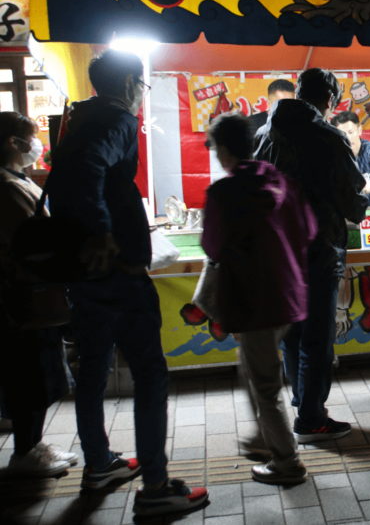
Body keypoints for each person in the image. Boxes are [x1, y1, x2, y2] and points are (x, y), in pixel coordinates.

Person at [46, 51, 208, 516]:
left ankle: (99, 464)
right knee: (151, 377)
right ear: (132, 84)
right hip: (120, 278)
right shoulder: (116, 119)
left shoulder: (78, 120)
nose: (142, 95)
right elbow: (89, 169)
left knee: (93, 374)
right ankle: (156, 487)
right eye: (143, 86)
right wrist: (102, 230)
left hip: (87, 279)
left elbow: (75, 178)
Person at [202, 113, 317, 485]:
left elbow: (212, 245)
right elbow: (309, 230)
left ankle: (287, 462)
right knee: (253, 367)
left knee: (265, 385)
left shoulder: (222, 193)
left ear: (222, 150)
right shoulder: (281, 180)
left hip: (252, 301)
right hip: (287, 295)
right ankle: (262, 437)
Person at [255, 68, 367, 442]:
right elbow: (353, 202)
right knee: (318, 335)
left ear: (299, 92)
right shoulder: (328, 137)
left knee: (293, 332)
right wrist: (361, 201)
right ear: (330, 101)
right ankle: (312, 418)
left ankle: (303, 400)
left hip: (277, 249)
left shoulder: (264, 135)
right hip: (318, 248)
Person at [0, 112, 77, 477]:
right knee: (28, 379)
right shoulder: (5, 187)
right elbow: (32, 244)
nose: (37, 145)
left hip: (35, 300)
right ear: (13, 143)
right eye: (31, 138)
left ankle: (33, 444)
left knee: (39, 375)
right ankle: (24, 454)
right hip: (21, 303)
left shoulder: (16, 179)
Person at [331, 111, 370, 206]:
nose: (348, 138)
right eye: (342, 134)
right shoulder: (335, 157)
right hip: (352, 212)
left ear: (359, 130)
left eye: (351, 132)